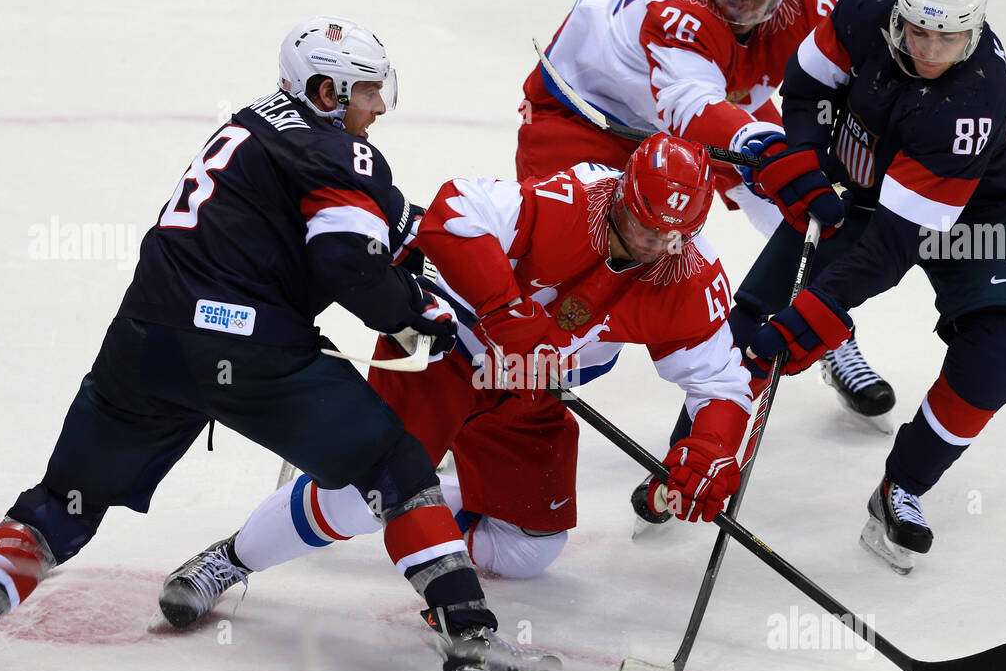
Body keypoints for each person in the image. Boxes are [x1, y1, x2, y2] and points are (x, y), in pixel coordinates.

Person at [0, 16, 566, 671]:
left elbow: (377, 227)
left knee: (61, 505)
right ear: (326, 90)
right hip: (250, 351)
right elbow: (347, 263)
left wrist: (421, 269)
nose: (378, 106)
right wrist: (416, 315)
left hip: (146, 343)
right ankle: (477, 658)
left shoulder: (251, 131)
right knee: (396, 469)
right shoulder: (336, 152)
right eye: (365, 91)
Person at [159, 133, 754, 618]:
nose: (656, 244)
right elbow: (452, 212)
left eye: (674, 234)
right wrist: (506, 312)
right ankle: (232, 558)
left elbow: (721, 385)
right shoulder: (569, 201)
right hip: (443, 352)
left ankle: (408, 498)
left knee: (528, 549)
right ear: (622, 194)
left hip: (528, 388)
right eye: (645, 224)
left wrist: (710, 450)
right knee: (356, 505)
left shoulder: (688, 276)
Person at [712, 0, 1006, 574]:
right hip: (862, 189)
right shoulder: (866, 5)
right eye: (918, 29)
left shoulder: (974, 99)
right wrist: (806, 157)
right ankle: (695, 458)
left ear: (973, 31)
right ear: (900, 11)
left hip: (978, 215)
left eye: (946, 39)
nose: (927, 49)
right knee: (751, 329)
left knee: (993, 360)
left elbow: (894, 245)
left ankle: (903, 489)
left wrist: (822, 308)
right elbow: (807, 83)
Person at [519, 0, 897, 454]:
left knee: (811, 210)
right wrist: (765, 149)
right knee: (564, 272)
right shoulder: (676, 10)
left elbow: (861, 69)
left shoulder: (814, 1)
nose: (743, 11)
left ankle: (828, 326)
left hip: (721, 103)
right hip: (587, 116)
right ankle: (491, 394)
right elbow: (689, 104)